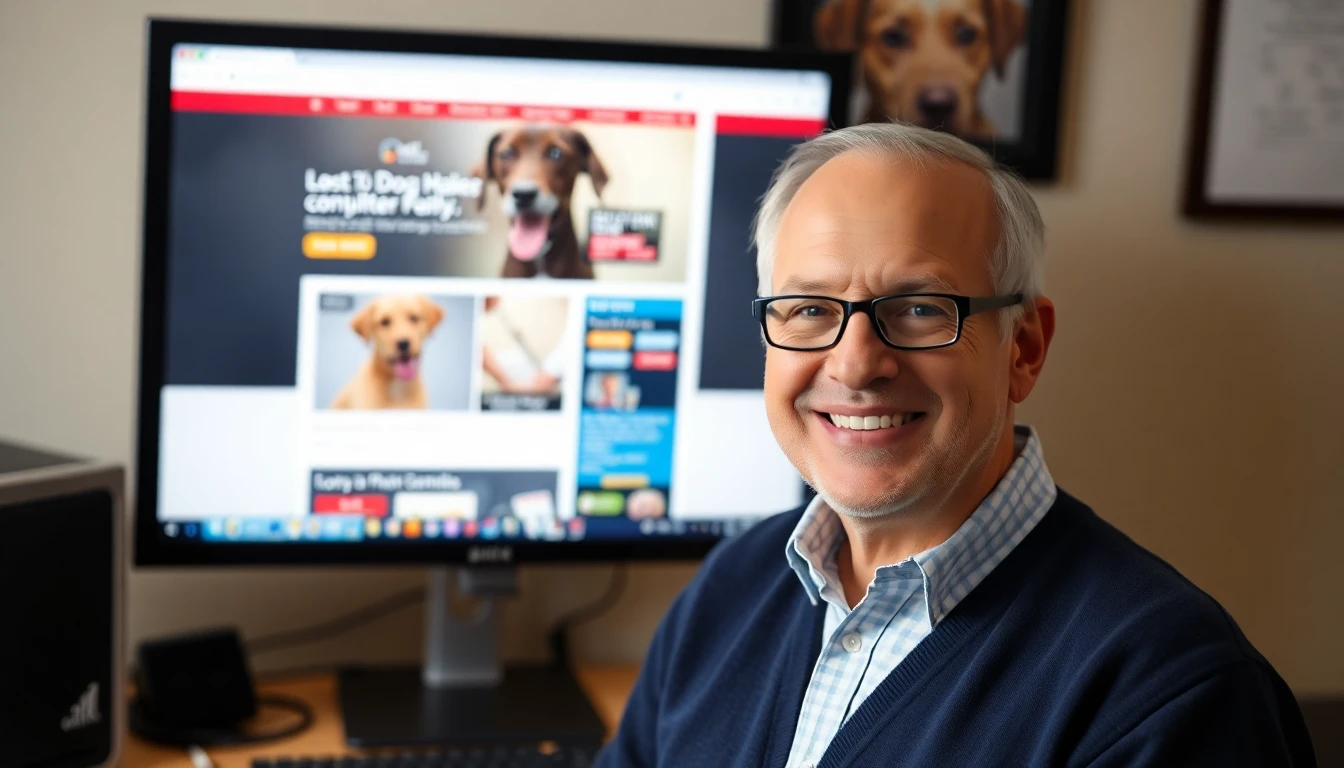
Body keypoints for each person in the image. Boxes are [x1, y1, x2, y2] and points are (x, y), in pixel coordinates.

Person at [596, 123, 1315, 767]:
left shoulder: (1169, 689)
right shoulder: (730, 590)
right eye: (810, 310)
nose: (854, 365)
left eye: (917, 309)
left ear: (1023, 348)